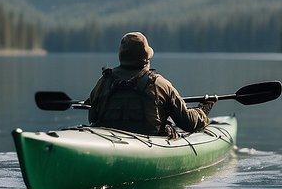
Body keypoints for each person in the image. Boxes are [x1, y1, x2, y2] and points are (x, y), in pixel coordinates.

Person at [87, 31, 216, 135]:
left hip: (108, 140)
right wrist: (202, 111)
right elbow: (187, 123)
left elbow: (92, 117)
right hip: (148, 144)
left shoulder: (103, 82)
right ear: (146, 60)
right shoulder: (160, 84)